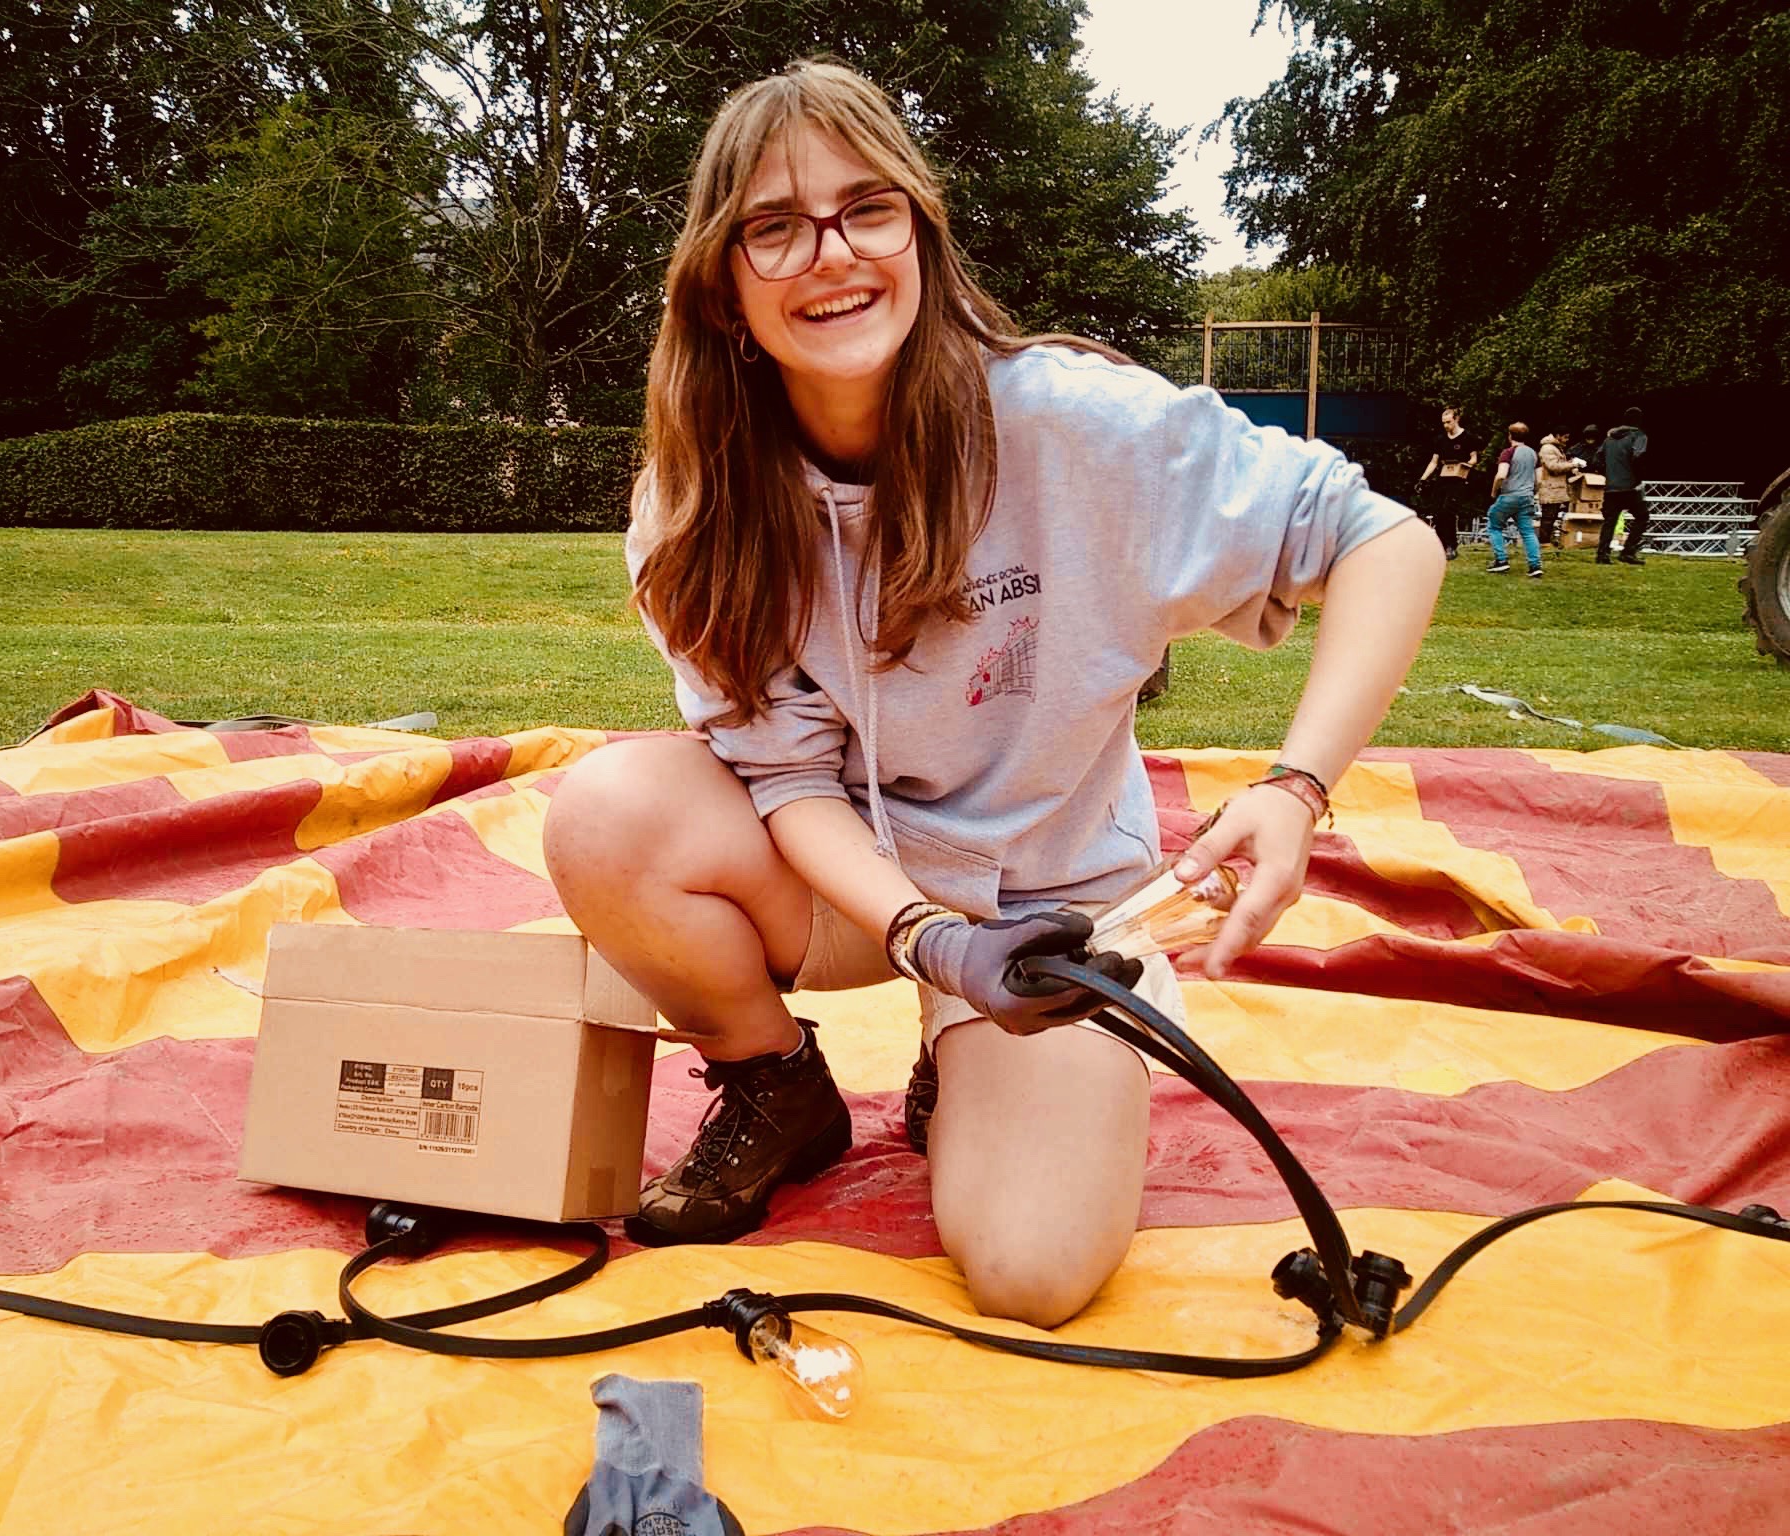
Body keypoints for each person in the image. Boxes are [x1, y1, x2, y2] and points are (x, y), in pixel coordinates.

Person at [540, 60, 1445, 1329]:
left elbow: (1384, 540)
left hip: (1060, 907)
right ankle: (773, 1083)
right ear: (728, 291)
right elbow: (788, 780)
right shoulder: (697, 508)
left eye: (867, 207)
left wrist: (1296, 789)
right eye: (773, 226)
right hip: (860, 889)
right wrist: (929, 938)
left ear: (918, 231)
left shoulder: (1076, 424)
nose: (829, 252)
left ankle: (954, 1063)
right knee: (604, 813)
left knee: (1031, 1273)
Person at [1413, 407, 1481, 558]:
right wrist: (1423, 479)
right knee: (1437, 512)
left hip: (1459, 479)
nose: (1446, 426)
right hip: (1443, 477)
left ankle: (1451, 545)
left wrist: (1465, 465)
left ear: (1456, 419)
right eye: (1443, 423)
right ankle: (1439, 545)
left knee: (1448, 511)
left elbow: (1474, 459)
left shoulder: (1468, 438)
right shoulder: (1440, 440)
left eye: (1448, 422)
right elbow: (1434, 461)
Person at [1484, 423, 1544, 576]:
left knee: (1494, 524)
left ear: (1509, 436)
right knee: (1528, 532)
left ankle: (1501, 560)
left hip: (1510, 495)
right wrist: (1532, 492)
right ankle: (1535, 566)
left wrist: (1493, 491)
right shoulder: (1534, 454)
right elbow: (1540, 479)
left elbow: (1501, 475)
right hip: (1527, 497)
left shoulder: (1508, 453)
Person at [1598, 406, 1650, 565]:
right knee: (1642, 516)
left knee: (1609, 521)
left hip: (1611, 486)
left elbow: (1597, 459)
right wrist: (1638, 479)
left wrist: (1608, 474)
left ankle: (1602, 554)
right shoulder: (1639, 436)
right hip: (1629, 486)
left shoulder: (1609, 439)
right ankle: (1628, 551)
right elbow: (1638, 457)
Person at [1535, 426, 1576, 547]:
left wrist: (1569, 464)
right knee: (1548, 516)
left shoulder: (1556, 448)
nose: (1567, 440)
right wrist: (1571, 465)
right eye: (1565, 437)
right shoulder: (1548, 448)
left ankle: (1548, 540)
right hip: (1550, 487)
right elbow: (1553, 467)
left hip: (1556, 487)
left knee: (1552, 516)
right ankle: (1544, 542)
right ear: (1558, 436)